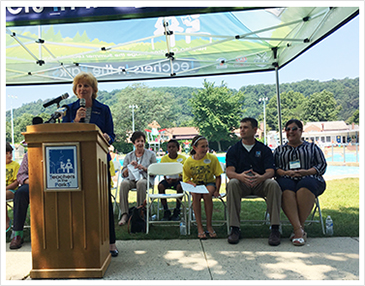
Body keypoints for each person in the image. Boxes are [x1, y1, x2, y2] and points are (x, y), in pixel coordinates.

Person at [62, 72, 118, 257]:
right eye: (79, 86)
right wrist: (75, 120)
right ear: (75, 90)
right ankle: (78, 242)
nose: (82, 89)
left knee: (103, 201)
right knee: (77, 202)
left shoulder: (104, 109)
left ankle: (110, 243)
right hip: (75, 161)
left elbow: (111, 134)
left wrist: (108, 137)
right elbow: (62, 134)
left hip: (99, 160)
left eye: (86, 86)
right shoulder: (68, 109)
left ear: (93, 89)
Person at [225, 117, 282, 246]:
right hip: (241, 184)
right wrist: (240, 177)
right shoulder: (234, 150)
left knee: (273, 184)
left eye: (245, 127)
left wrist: (261, 178)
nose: (242, 130)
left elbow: (271, 172)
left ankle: (275, 229)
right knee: (232, 183)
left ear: (254, 130)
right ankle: (234, 228)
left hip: (260, 183)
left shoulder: (264, 149)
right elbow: (229, 172)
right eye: (241, 127)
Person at [274, 119, 327, 246]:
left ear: (301, 131)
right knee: (285, 188)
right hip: (286, 178)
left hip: (310, 178)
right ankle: (299, 230)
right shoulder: (279, 150)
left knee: (305, 185)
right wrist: (284, 173)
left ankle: (298, 228)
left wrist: (307, 172)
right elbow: (273, 167)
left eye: (294, 129)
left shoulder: (312, 147)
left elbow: (322, 165)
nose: (290, 132)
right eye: (287, 129)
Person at [9, 117, 42, 249]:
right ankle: (17, 234)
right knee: (20, 194)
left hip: (52, 184)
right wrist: (33, 181)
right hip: (32, 184)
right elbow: (21, 175)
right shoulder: (28, 155)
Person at [183, 135, 223, 239]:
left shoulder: (212, 158)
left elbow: (218, 176)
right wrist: (191, 184)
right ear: (194, 148)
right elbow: (186, 178)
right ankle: (199, 227)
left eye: (207, 146)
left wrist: (217, 190)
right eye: (202, 146)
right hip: (196, 184)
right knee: (195, 196)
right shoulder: (189, 162)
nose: (206, 149)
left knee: (207, 194)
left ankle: (209, 225)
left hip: (209, 183)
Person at [118, 131, 157, 226]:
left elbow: (155, 172)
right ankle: (124, 214)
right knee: (124, 184)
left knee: (141, 183)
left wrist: (143, 168)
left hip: (145, 179)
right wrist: (127, 169)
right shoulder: (129, 156)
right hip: (131, 179)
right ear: (134, 143)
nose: (140, 143)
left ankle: (141, 212)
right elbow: (123, 174)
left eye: (142, 141)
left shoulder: (151, 155)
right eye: (138, 141)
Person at [158, 139, 186, 221]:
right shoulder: (164, 159)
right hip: (168, 180)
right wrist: (166, 178)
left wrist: (177, 179)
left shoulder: (183, 158)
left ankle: (177, 210)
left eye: (173, 147)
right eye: (169, 147)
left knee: (180, 187)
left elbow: (186, 174)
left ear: (178, 148)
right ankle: (166, 210)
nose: (171, 149)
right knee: (160, 186)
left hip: (179, 179)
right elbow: (163, 172)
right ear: (167, 149)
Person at [6, 142, 20, 232]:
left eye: (10, 153)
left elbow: (16, 182)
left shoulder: (15, 165)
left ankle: (6, 221)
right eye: (6, 153)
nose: (9, 155)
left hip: (12, 191)